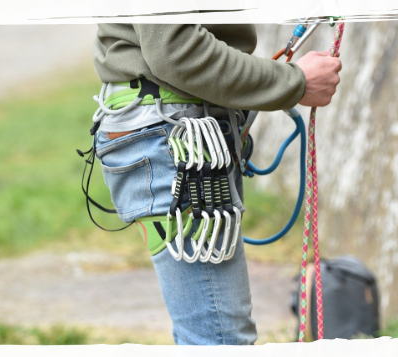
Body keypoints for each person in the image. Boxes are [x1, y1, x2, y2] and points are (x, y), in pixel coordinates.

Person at [85, 0, 342, 356]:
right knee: (219, 345)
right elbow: (177, 52)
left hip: (178, 129)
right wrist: (293, 82)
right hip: (173, 134)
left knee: (213, 341)